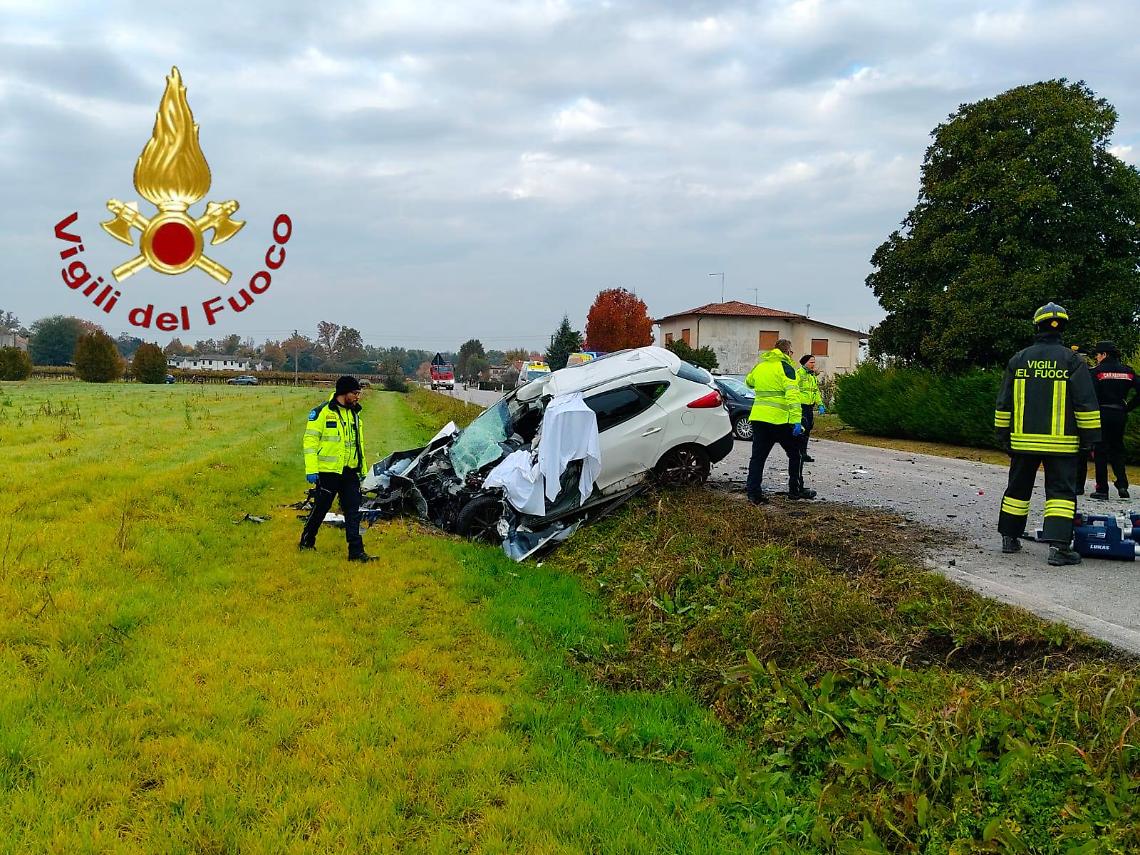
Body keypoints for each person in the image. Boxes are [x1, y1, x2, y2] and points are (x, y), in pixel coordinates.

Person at [994, 303, 1101, 566]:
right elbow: (1085, 403)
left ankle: (1009, 537)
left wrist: (1002, 435)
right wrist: (1090, 440)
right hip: (1062, 444)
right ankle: (1058, 548)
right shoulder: (1073, 361)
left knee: (1017, 489)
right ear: (1062, 327)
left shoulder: (1019, 359)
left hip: (1022, 442)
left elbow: (1004, 402)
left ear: (1037, 326)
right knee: (1061, 494)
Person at [299, 375, 377, 562]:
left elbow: (358, 445)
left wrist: (362, 470)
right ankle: (306, 542)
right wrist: (312, 469)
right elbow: (309, 442)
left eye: (359, 393)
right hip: (329, 472)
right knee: (320, 509)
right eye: (355, 393)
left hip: (350, 472)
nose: (358, 397)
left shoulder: (355, 415)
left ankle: (356, 553)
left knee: (353, 512)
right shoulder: (322, 413)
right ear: (344, 393)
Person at [744, 339, 815, 504]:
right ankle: (794, 491)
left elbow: (749, 382)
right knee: (795, 455)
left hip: (759, 418)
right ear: (787, 352)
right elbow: (793, 396)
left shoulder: (761, 366)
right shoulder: (787, 368)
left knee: (758, 458)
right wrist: (797, 421)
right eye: (791, 352)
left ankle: (754, 494)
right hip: (780, 421)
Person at [1088, 340, 1140, 500]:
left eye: (1097, 354)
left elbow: (1090, 395)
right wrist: (1128, 407)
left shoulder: (1096, 372)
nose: (1096, 358)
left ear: (1104, 354)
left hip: (1102, 412)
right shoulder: (1128, 372)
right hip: (1119, 414)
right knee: (1117, 449)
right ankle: (1123, 484)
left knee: (1100, 450)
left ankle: (1102, 489)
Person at [797, 354, 826, 463]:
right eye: (811, 362)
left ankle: (803, 453)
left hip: (809, 407)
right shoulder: (799, 374)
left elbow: (815, 391)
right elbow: (793, 390)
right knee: (802, 430)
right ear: (805, 363)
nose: (813, 364)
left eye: (814, 362)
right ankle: (799, 453)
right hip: (801, 406)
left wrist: (820, 404)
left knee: (808, 429)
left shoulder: (811, 376)